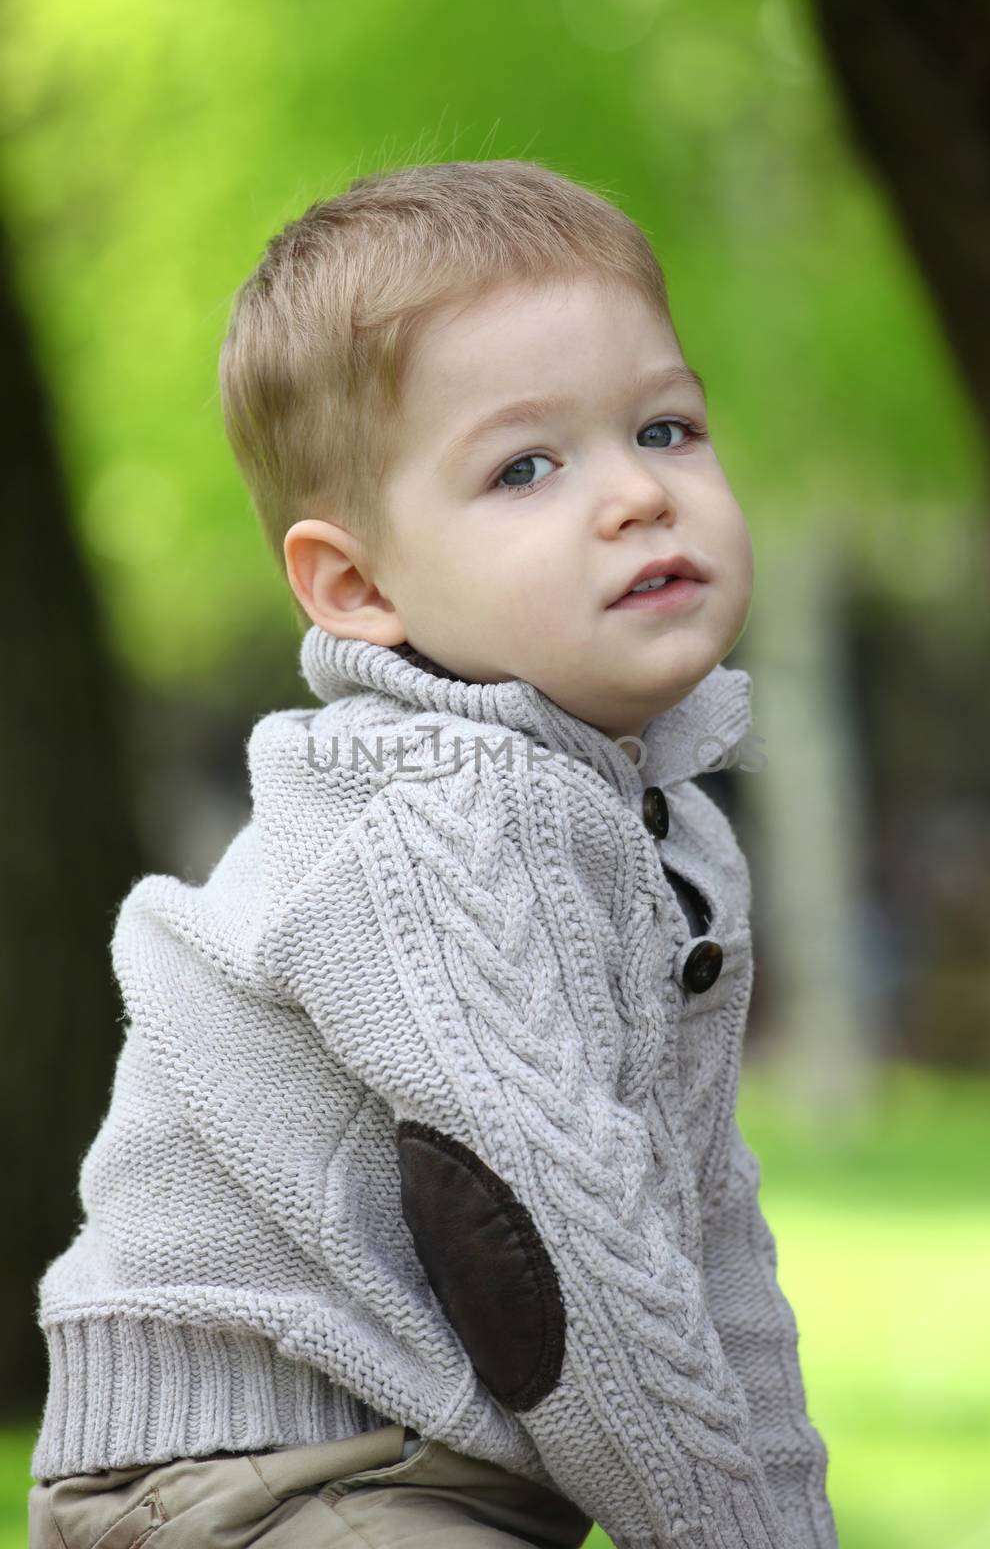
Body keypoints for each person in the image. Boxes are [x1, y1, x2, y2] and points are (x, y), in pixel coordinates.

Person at [27, 159, 838, 1549]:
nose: (637, 496)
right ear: (359, 587)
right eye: (527, 467)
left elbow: (703, 1249)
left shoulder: (660, 817)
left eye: (666, 427)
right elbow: (567, 1271)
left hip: (420, 1461)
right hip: (261, 1471)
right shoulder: (449, 827)